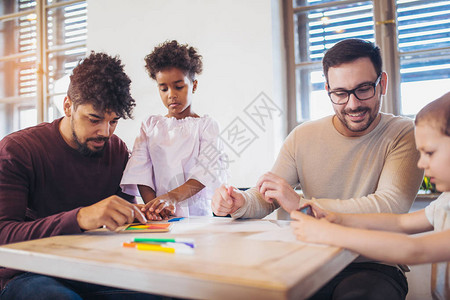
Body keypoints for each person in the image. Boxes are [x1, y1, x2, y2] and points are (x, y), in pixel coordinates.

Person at [212, 39, 424, 299]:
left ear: (383, 83)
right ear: (327, 89)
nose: (352, 104)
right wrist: (238, 202)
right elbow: (266, 198)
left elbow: (391, 207)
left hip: (372, 265)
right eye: (340, 93)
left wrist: (301, 206)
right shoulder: (303, 136)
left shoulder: (403, 133)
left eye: (364, 89)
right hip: (306, 258)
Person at [0, 52, 154, 299]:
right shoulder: (17, 150)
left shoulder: (116, 150)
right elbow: (3, 234)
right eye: (94, 119)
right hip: (30, 273)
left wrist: (140, 215)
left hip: (94, 269)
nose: (105, 132)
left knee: (160, 292)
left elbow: (124, 216)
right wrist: (80, 218)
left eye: (113, 121)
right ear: (68, 106)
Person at [291, 92, 450, 300]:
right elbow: (401, 223)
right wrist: (337, 218)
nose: (421, 163)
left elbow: (415, 250)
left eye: (429, 153)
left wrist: (326, 233)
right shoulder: (445, 202)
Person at [120, 40, 227, 220]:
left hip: (197, 218)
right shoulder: (149, 126)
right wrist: (154, 207)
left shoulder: (206, 126)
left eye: (178, 86)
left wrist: (171, 198)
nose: (171, 94)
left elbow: (205, 172)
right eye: (163, 88)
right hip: (160, 218)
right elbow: (140, 172)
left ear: (193, 85)